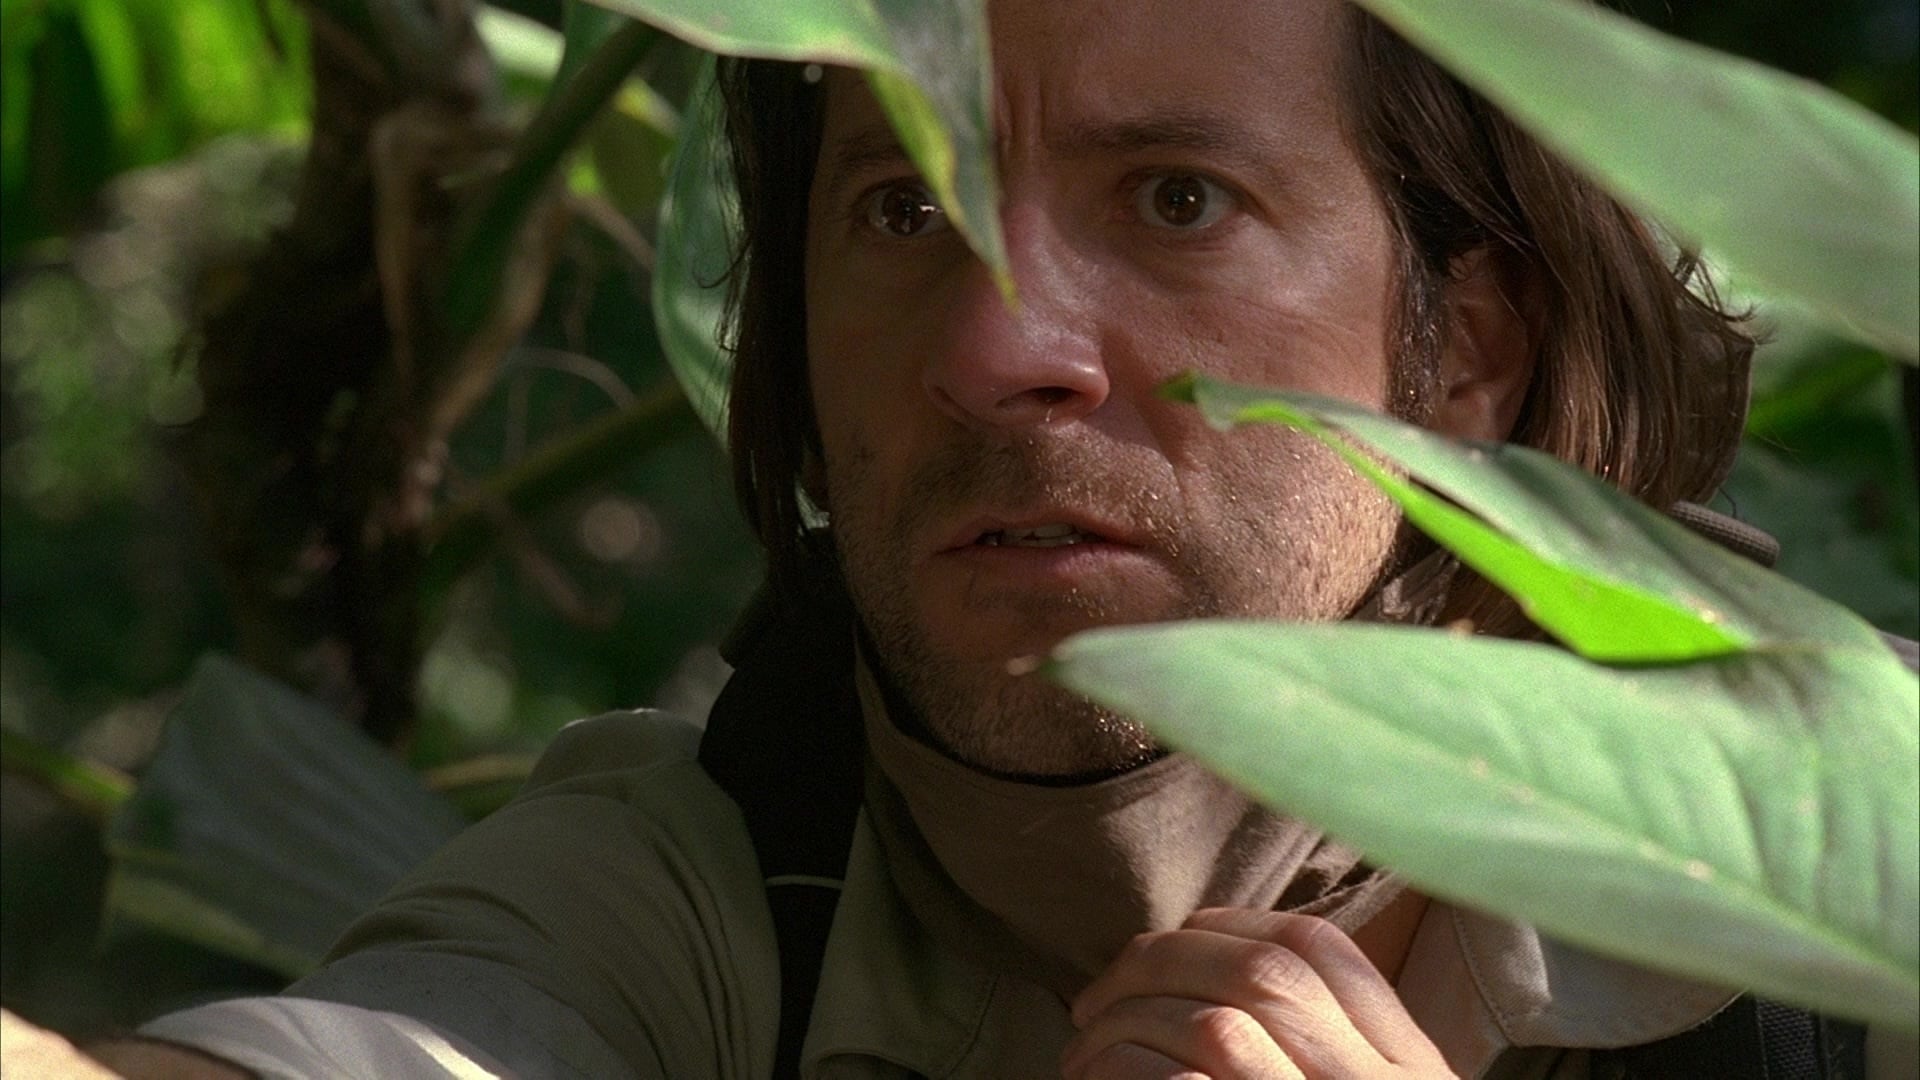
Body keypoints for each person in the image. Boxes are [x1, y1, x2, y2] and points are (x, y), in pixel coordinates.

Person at [79, 0, 1908, 1077]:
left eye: (1177, 201)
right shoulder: (704, 897)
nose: (990, 350)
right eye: (900, 210)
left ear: (1470, 353)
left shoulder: (1866, 890)